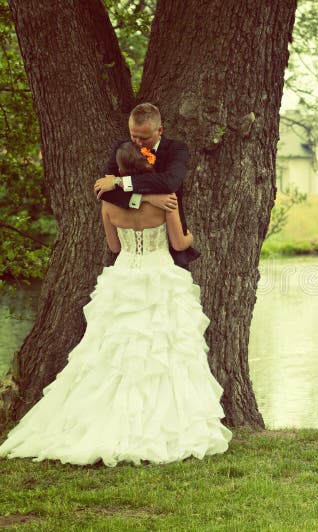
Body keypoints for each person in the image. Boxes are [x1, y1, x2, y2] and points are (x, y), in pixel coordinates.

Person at [0, 143, 231, 466]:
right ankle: (160, 422)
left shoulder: (108, 204)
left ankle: (103, 420)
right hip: (160, 273)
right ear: (147, 168)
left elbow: (112, 245)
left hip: (123, 273)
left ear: (120, 173)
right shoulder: (166, 203)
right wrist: (191, 237)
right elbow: (179, 243)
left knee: (111, 350)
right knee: (164, 349)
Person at [94, 102, 199, 269]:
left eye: (144, 138)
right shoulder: (121, 150)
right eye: (133, 136)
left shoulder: (176, 149)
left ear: (160, 131)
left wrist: (119, 182)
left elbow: (170, 182)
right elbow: (104, 192)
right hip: (129, 255)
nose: (138, 142)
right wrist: (147, 198)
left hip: (170, 250)